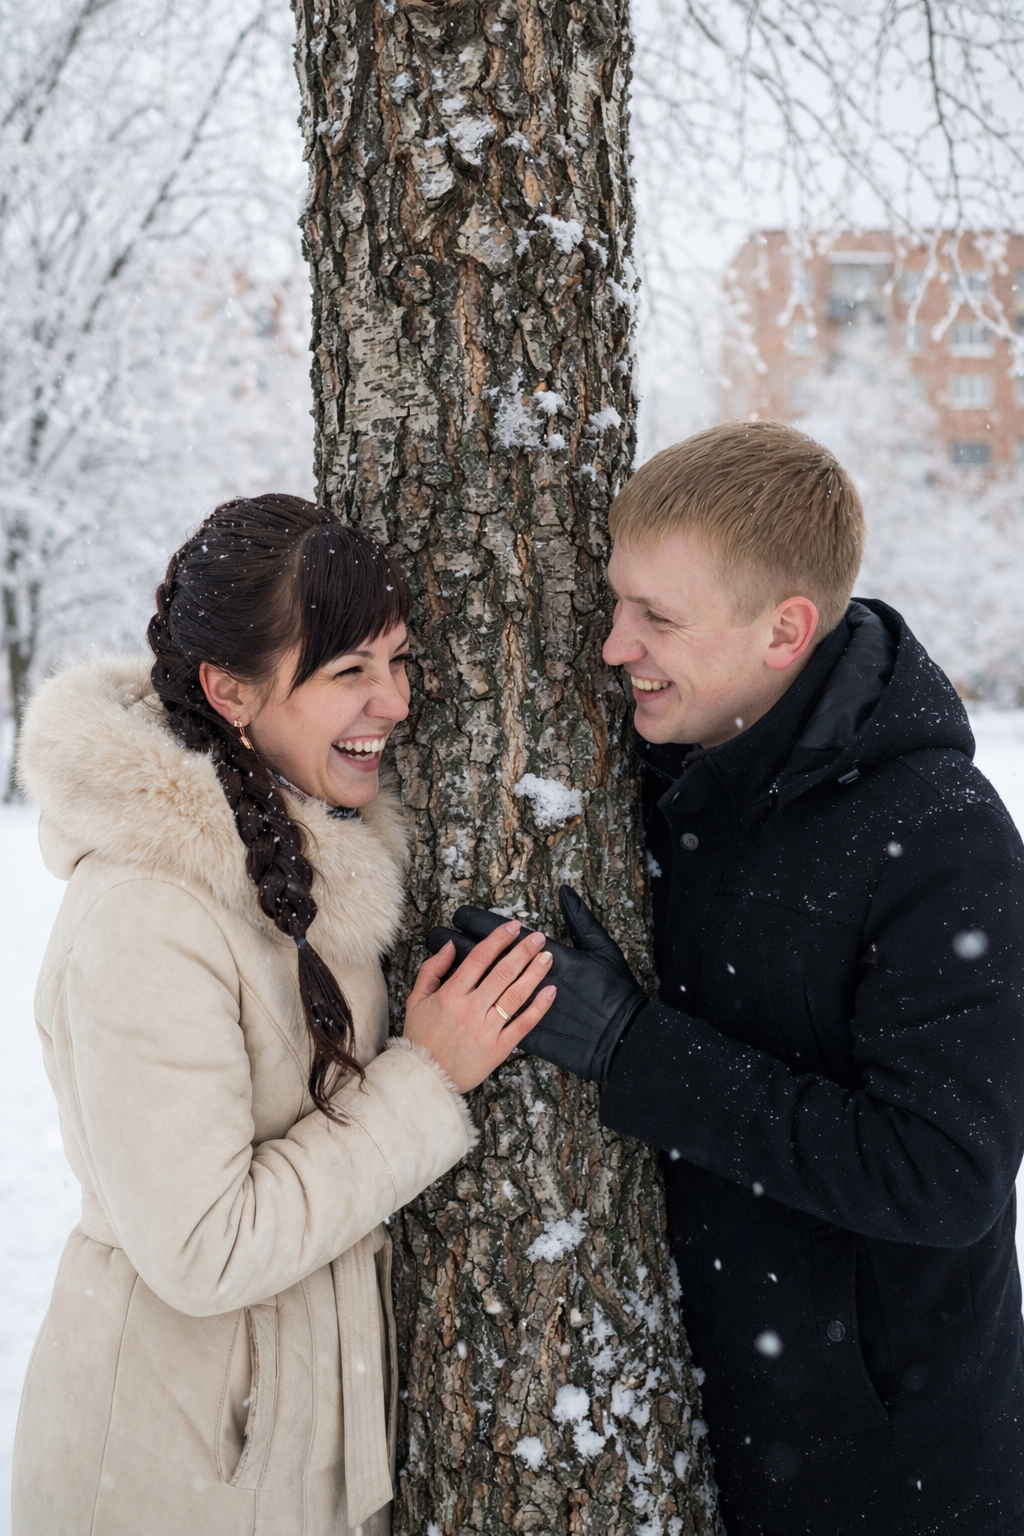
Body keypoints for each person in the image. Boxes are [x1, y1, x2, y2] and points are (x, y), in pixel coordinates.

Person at [432, 422, 1024, 1536]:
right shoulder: (678, 768)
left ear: (784, 630)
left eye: (657, 618)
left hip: (883, 1474)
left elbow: (944, 1177)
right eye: (617, 603)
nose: (611, 648)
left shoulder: (942, 838)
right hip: (709, 1424)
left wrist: (633, 1051)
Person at [11, 494, 556, 1536]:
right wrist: (424, 1078)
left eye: (396, 661)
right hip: (168, 1478)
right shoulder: (145, 914)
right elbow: (204, 1247)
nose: (394, 703)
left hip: (280, 1457)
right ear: (230, 691)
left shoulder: (311, 859)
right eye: (348, 672)